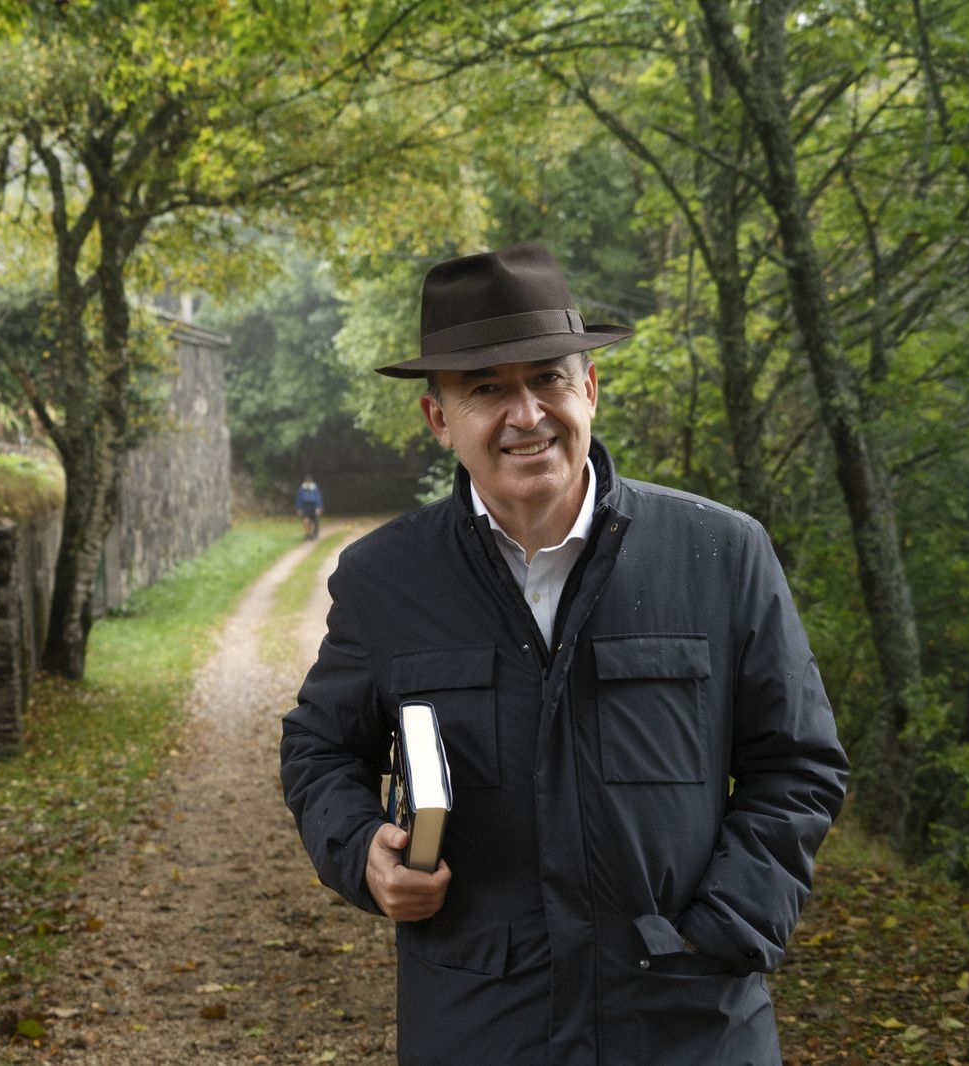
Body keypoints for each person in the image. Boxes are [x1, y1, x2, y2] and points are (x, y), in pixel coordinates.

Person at [279, 242, 848, 1065]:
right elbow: (319, 750)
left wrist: (728, 929)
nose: (526, 414)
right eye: (486, 389)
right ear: (440, 418)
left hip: (691, 1028)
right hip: (478, 1026)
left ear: (590, 386)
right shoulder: (384, 581)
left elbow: (799, 762)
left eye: (547, 377)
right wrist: (362, 848)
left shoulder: (722, 555)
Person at [296, 475, 324, 540]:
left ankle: (313, 534)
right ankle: (307, 534)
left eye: (309, 482)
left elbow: (318, 498)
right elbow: (299, 498)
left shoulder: (315, 488)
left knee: (313, 521)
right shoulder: (302, 489)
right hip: (305, 506)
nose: (308, 483)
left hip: (314, 506)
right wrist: (299, 508)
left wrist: (319, 507)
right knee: (306, 520)